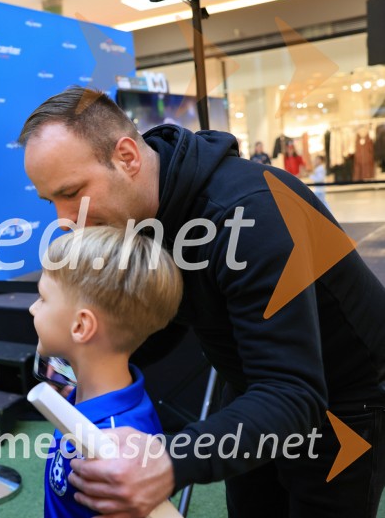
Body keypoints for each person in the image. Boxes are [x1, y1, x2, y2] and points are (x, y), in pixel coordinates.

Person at [20, 86, 385, 517]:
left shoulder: (250, 214)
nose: (64, 220)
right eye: (51, 200)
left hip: (345, 398)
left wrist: (169, 461)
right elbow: (146, 321)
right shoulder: (135, 213)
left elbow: (293, 393)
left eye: (72, 191)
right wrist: (66, 358)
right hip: (250, 381)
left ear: (127, 157)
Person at [29, 225, 183, 517]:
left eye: (43, 299)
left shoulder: (114, 443)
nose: (33, 309)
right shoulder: (88, 393)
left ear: (81, 326)